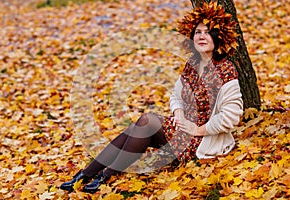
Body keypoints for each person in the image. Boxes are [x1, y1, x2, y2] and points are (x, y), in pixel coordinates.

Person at [60, 1, 243, 194]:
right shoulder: (192, 64)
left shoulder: (225, 70)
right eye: (198, 32)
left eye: (208, 32)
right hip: (182, 132)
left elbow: (231, 115)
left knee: (147, 121)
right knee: (140, 125)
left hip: (201, 141)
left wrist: (198, 129)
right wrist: (179, 114)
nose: (201, 36)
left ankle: (104, 175)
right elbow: (176, 96)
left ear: (219, 37)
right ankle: (87, 175)